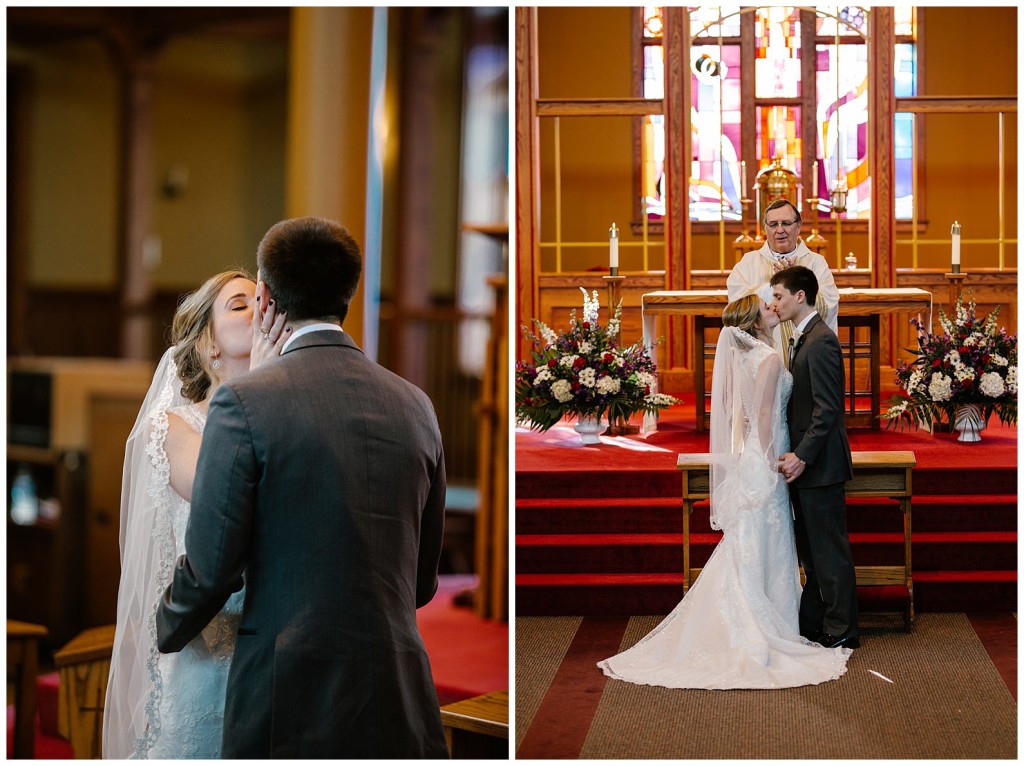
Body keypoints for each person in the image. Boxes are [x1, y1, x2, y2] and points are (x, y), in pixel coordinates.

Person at [154, 217, 449, 758]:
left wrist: (165, 626)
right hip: (397, 688)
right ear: (349, 295)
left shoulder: (244, 402)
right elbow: (424, 582)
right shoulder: (417, 405)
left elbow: (213, 566)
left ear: (267, 296)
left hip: (286, 691)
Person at [597, 290, 850, 690]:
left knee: (752, 543)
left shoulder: (749, 358)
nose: (774, 309)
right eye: (767, 307)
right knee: (764, 541)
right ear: (753, 321)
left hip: (755, 456)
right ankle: (764, 624)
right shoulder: (765, 358)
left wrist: (756, 456)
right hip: (767, 459)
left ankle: (761, 618)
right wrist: (771, 463)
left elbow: (744, 419)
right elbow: (764, 420)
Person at [103, 269, 289, 758]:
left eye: (262, 299)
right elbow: (223, 495)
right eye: (239, 304)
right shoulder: (170, 428)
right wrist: (263, 387)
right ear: (208, 343)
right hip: (203, 651)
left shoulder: (287, 416)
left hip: (273, 649)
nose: (259, 309)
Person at [771, 265, 859, 650]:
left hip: (820, 466)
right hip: (807, 466)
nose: (774, 304)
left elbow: (827, 410)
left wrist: (802, 456)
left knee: (829, 552)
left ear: (800, 296)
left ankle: (843, 630)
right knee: (812, 553)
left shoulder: (820, 340)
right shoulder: (802, 337)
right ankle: (819, 623)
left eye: (778, 296)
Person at [727, 198, 839, 365]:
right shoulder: (748, 262)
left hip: (807, 358)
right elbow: (737, 306)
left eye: (786, 223)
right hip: (761, 361)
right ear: (765, 228)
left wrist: (792, 286)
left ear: (799, 226)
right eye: (773, 224)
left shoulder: (815, 262)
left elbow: (829, 303)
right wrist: (773, 288)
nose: (780, 230)